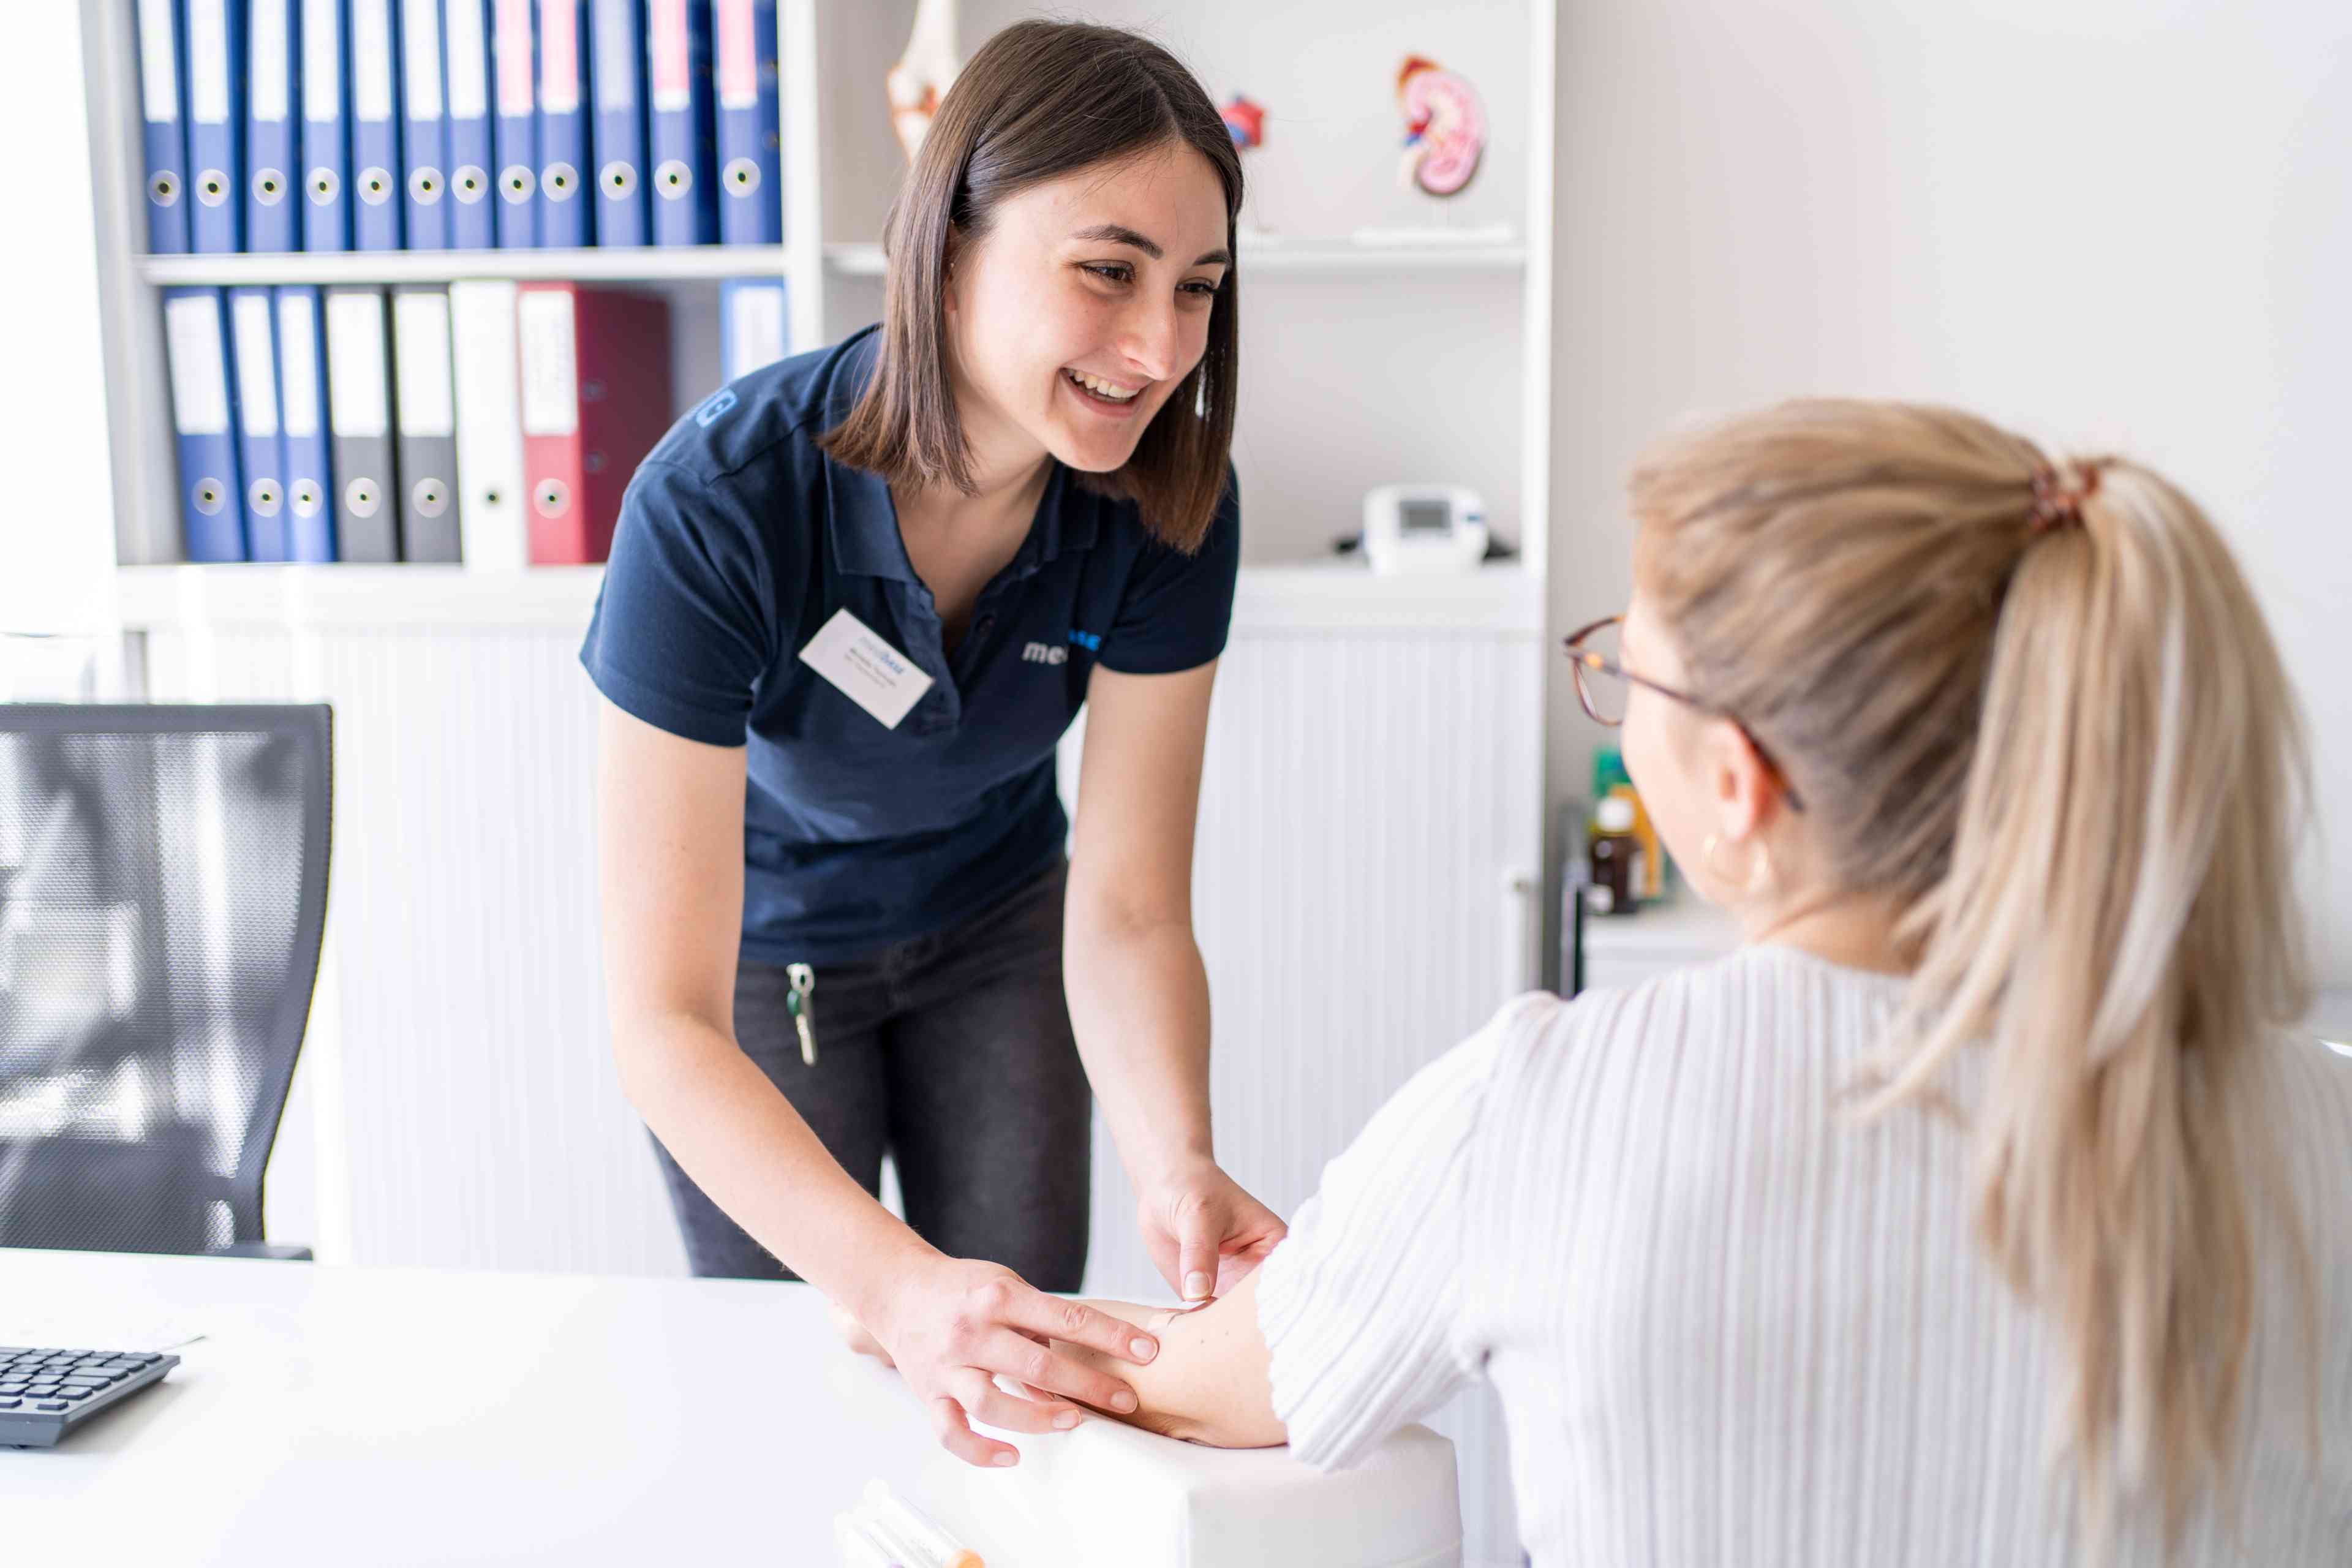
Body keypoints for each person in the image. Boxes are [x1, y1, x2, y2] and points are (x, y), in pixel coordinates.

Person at [1030, 401, 2352, 1561]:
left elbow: (1194, 1381)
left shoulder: (1544, 1110)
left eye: (1623, 667)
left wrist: (940, 1307)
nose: (1606, 685)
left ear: (1737, 784)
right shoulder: (2323, 1127)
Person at [584, 20, 1286, 1469]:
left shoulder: (1168, 505)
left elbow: (1135, 903)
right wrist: (894, 1286)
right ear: (949, 239)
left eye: (1197, 289)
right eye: (1108, 269)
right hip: (767, 961)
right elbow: (660, 1023)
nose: (1159, 346)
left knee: (1023, 1376)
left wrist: (1180, 1162)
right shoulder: (718, 504)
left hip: (1001, 922)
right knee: (807, 1391)